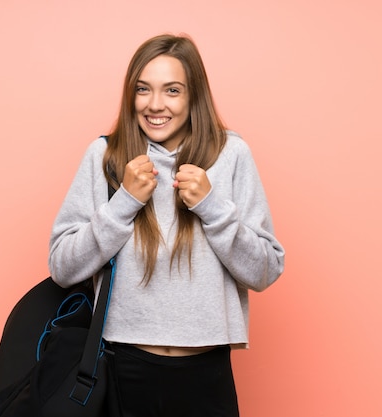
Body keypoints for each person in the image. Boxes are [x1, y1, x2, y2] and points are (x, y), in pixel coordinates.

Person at [48, 33, 285, 417]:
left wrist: (212, 207)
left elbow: (265, 271)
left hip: (207, 368)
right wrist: (124, 202)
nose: (155, 105)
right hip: (122, 365)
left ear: (194, 96)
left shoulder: (232, 155)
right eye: (143, 89)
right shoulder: (106, 156)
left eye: (171, 90)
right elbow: (63, 268)